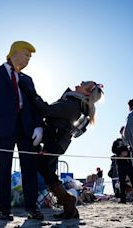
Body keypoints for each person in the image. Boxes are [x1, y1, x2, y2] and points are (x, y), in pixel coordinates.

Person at [19, 80, 104, 219]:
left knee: (43, 167)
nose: (80, 82)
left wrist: (31, 93)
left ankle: (67, 200)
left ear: (87, 91)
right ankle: (70, 209)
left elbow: (46, 110)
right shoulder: (74, 102)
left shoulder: (72, 105)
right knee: (48, 172)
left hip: (55, 142)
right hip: (57, 142)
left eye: (84, 83)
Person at [0, 41, 44, 221]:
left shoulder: (28, 79)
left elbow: (35, 105)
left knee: (29, 170)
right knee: (3, 168)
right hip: (3, 129)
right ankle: (4, 209)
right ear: (14, 53)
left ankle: (32, 208)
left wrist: (38, 126)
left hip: (27, 130)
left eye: (30, 57)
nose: (28, 60)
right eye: (26, 55)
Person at [111, 126, 133, 204]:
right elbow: (113, 150)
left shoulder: (131, 140)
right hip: (120, 164)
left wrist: (126, 152)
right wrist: (121, 152)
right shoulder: (117, 141)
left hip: (130, 163)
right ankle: (122, 199)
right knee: (122, 182)